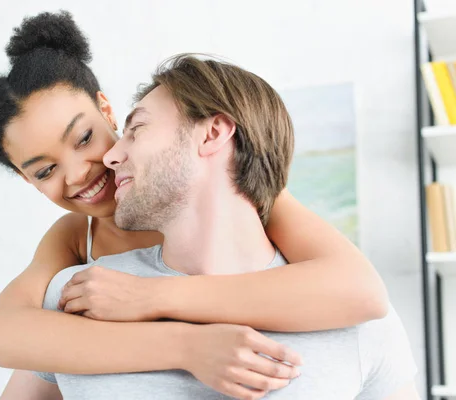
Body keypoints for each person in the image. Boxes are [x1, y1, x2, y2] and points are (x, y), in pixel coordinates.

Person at [0, 11, 391, 400]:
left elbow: (360, 290)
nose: (79, 173)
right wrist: (184, 347)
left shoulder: (236, 201)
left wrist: (147, 298)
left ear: (107, 110)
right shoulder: (75, 240)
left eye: (83, 139)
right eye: (44, 171)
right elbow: (2, 337)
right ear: (25, 179)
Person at [34, 55, 420, 399]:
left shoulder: (355, 319)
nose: (112, 155)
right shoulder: (82, 292)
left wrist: (152, 297)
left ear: (214, 133)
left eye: (137, 130)